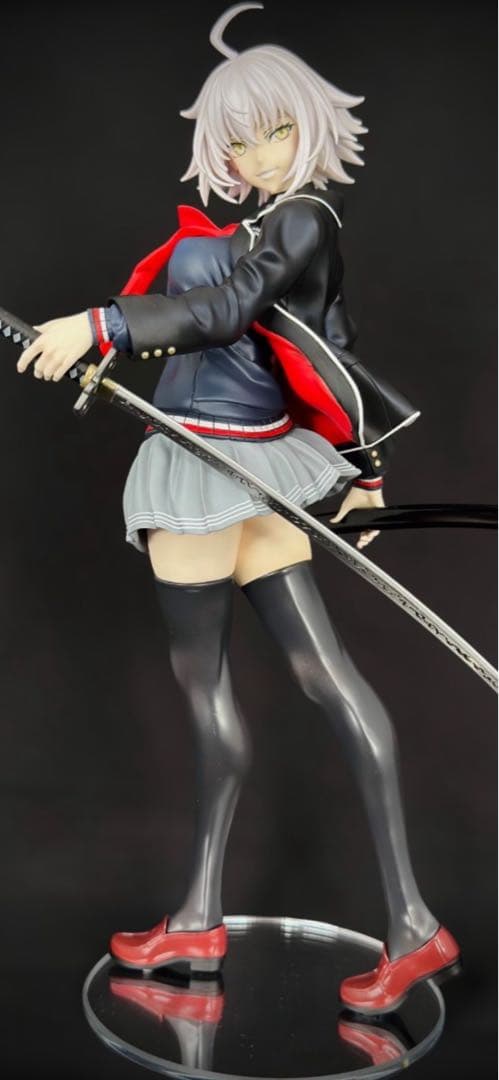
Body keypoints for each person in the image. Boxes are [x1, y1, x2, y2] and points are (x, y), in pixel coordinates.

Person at [16, 3, 459, 1013]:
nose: (259, 156)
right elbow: (324, 344)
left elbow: (223, 315)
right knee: (314, 676)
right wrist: (365, 471)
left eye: (276, 131)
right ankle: (288, 922)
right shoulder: (269, 226)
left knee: (212, 694)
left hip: (211, 475)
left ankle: (254, 921)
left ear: (311, 124)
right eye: (239, 140)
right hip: (251, 470)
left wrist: (101, 325)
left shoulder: (300, 220)